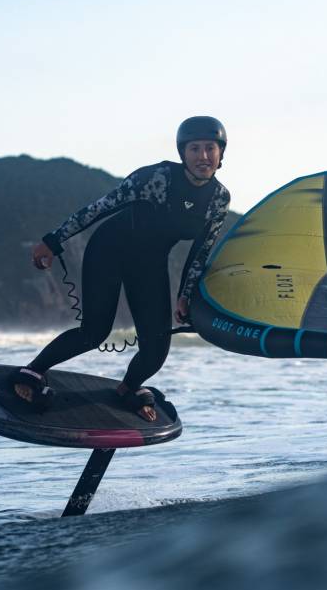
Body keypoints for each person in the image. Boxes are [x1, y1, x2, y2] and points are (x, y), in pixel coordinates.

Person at [13, 116, 231, 422]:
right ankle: (33, 372)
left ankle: (128, 388)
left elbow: (201, 252)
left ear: (221, 153)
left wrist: (185, 295)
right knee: (94, 332)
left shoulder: (218, 199)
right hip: (109, 251)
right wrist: (53, 241)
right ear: (183, 152)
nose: (203, 156)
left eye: (210, 148)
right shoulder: (155, 177)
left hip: (150, 264)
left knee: (156, 351)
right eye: (195, 148)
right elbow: (100, 208)